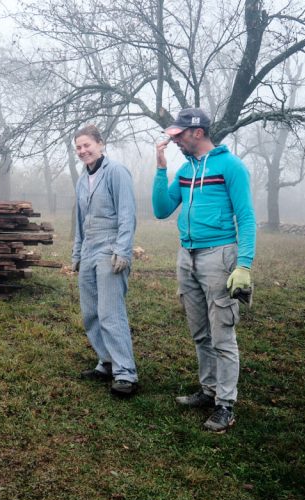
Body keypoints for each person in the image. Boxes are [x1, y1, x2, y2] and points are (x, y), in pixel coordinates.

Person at [153, 107, 256, 432]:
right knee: (200, 333)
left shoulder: (231, 166)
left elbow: (247, 217)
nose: (176, 141)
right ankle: (208, 390)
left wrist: (244, 265)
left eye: (180, 135)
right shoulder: (184, 170)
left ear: (198, 132)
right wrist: (161, 169)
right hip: (187, 256)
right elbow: (161, 210)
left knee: (222, 334)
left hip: (219, 255)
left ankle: (225, 405)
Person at [71, 125, 139, 397]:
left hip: (110, 246)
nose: (83, 151)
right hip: (89, 247)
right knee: (90, 312)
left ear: (100, 144)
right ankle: (107, 362)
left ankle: (126, 373)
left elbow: (127, 214)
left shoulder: (116, 172)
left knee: (111, 312)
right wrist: (77, 253)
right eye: (78, 147)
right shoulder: (81, 179)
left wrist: (123, 250)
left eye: (87, 145)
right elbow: (79, 220)